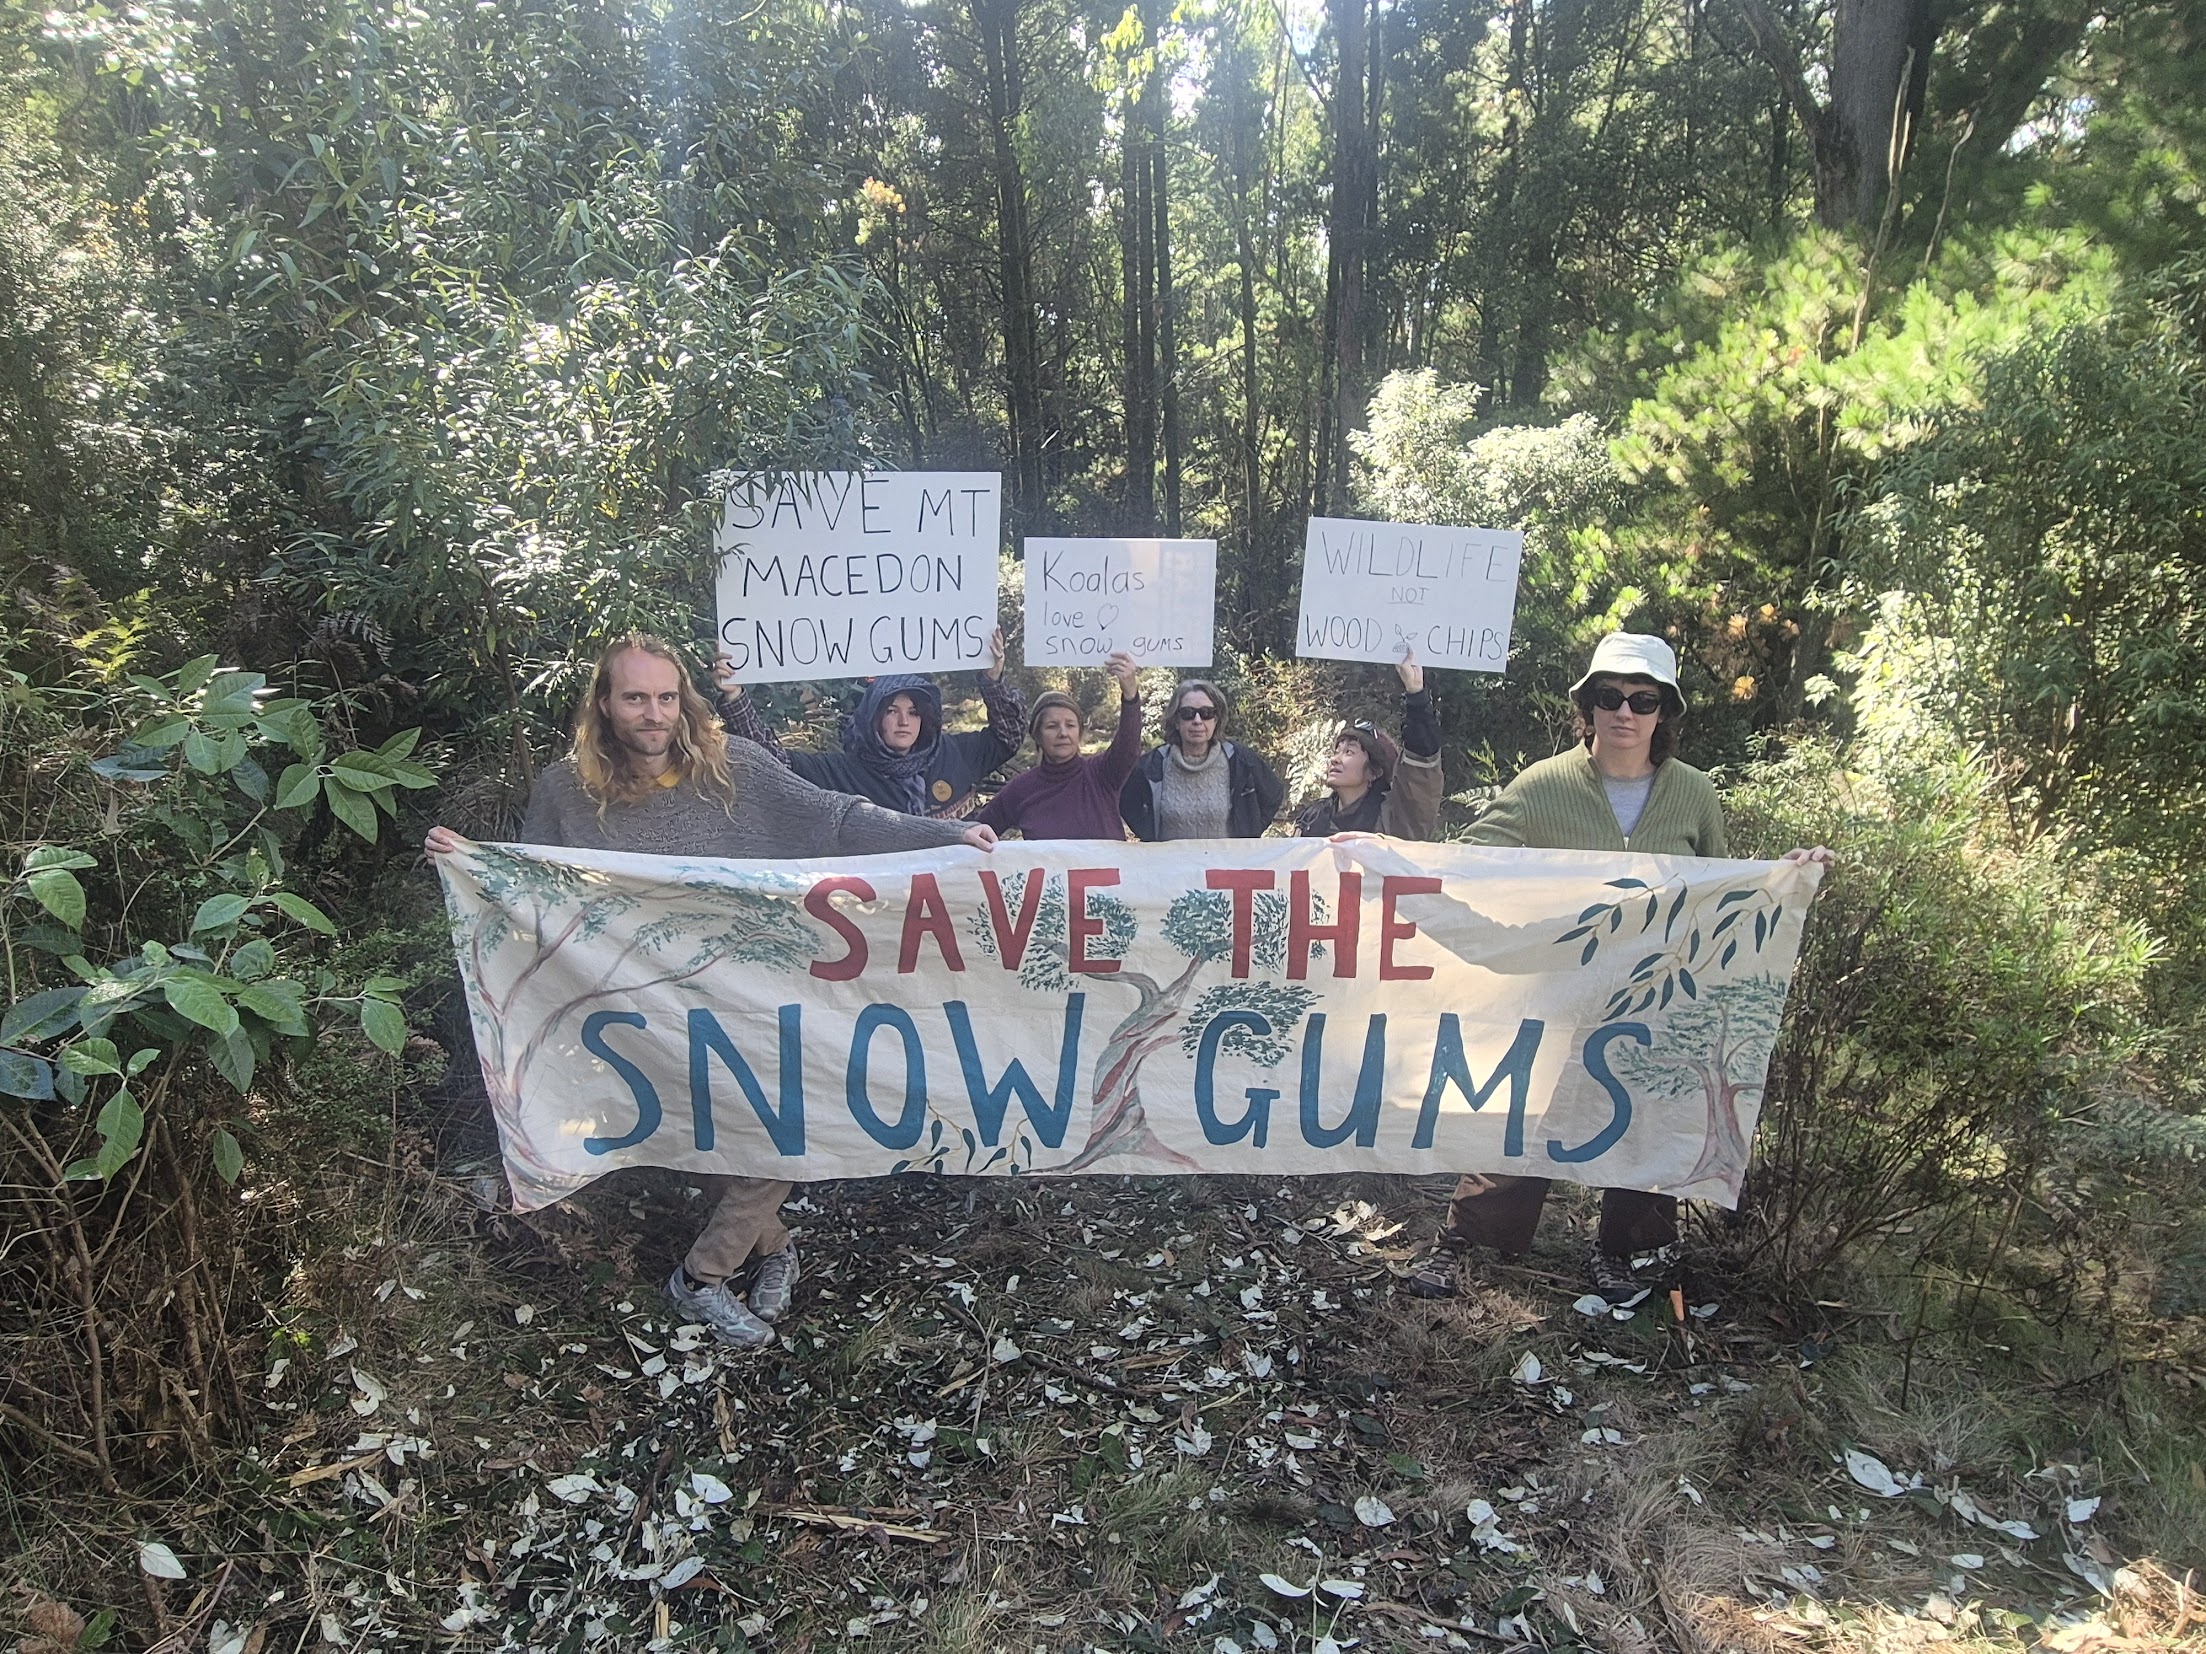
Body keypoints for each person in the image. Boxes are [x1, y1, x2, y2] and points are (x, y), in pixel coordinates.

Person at [424, 633, 995, 1351]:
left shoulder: (738, 769)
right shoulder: (564, 790)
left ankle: (699, 1278)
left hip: (760, 996)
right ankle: (774, 1244)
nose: (653, 713)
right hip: (646, 1010)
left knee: (787, 1131)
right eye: (636, 698)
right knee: (717, 1146)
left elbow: (833, 819)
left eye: (666, 697)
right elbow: (537, 887)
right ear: (605, 704)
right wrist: (471, 864)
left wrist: (935, 837)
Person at [1404, 631, 1832, 1303]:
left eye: (1643, 699)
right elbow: (1474, 862)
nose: (1624, 712)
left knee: (1649, 1114)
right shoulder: (1543, 786)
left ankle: (1628, 1252)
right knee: (1526, 1110)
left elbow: (1719, 885)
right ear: (1587, 706)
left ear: (1664, 712)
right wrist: (1379, 862)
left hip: (1654, 997)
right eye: (1610, 696)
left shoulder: (1692, 794)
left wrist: (1786, 876)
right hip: (1557, 988)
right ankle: (1473, 1242)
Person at [714, 628, 1026, 819]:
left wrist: (993, 680)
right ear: (873, 717)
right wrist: (735, 699)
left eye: (914, 712)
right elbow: (774, 763)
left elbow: (1008, 737)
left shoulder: (955, 753)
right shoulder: (845, 772)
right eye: (892, 710)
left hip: (957, 907)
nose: (904, 721)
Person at [973, 650, 1143, 841]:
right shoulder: (1021, 789)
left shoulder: (1102, 774)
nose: (1063, 733)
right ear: (1037, 735)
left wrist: (1130, 695)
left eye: (1070, 725)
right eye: (1052, 726)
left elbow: (1128, 747)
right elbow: (977, 832)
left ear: (1079, 732)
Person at [1296, 651, 1443, 841]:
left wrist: (1416, 695)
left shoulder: (1394, 820)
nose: (1335, 759)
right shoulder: (1311, 819)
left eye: (1349, 751)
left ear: (1374, 772)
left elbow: (1420, 766)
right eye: (1337, 751)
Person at [1119, 678, 1286, 841]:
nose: (1197, 721)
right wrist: (1150, 839)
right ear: (1176, 720)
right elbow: (1126, 803)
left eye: (1206, 713)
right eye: (1188, 713)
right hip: (1169, 867)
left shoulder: (1240, 760)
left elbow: (1273, 796)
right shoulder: (1153, 765)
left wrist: (1249, 834)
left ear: (1216, 719)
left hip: (1225, 866)